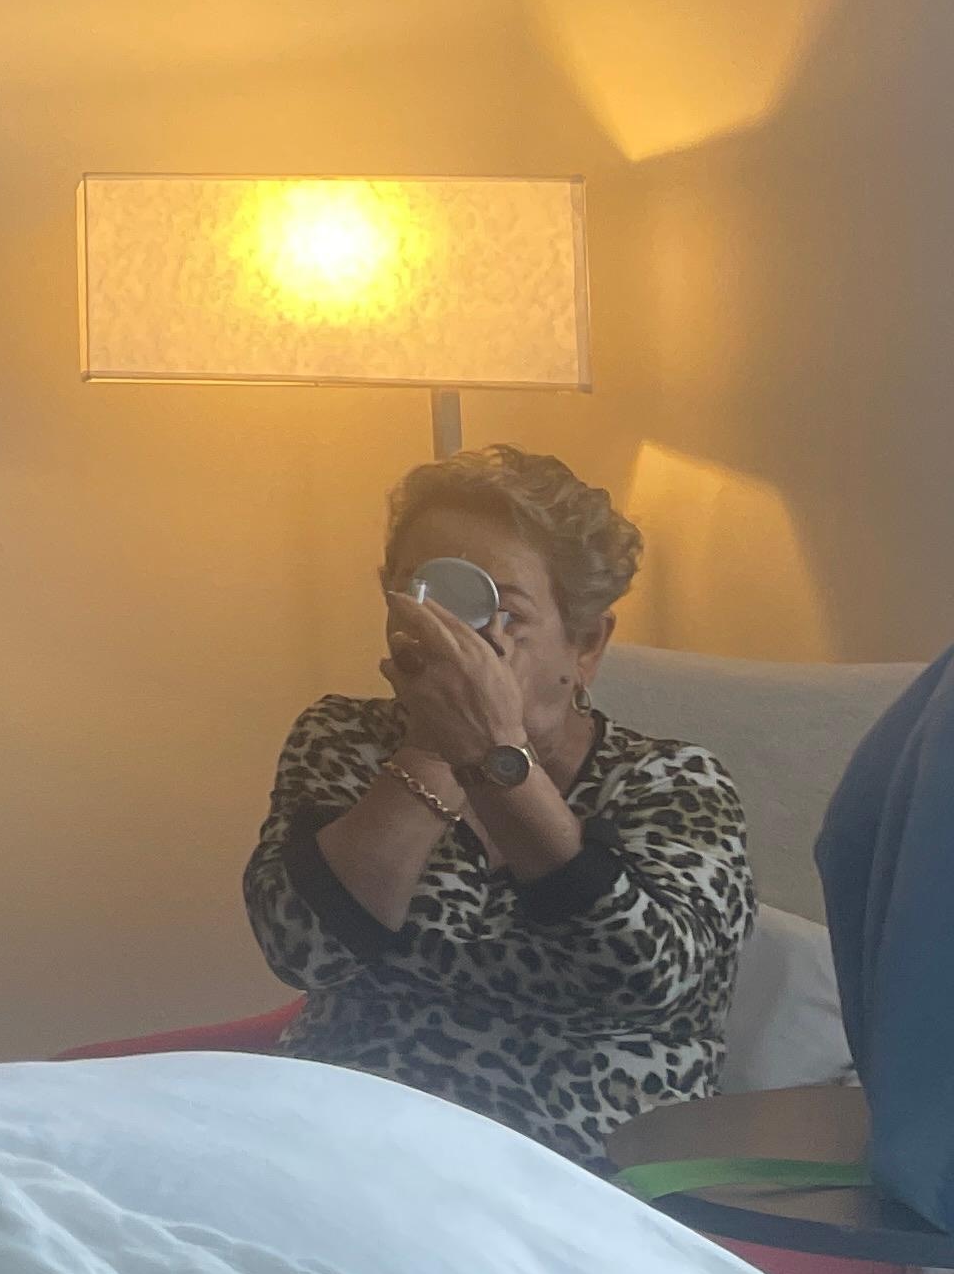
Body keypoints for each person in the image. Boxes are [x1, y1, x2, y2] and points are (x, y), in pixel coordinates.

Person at [242, 446, 752, 1161]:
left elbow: (643, 975)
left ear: (586, 643)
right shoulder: (345, 738)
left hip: (575, 1165)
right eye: (426, 600)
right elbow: (303, 950)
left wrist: (493, 756)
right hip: (337, 1138)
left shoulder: (673, 783)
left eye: (501, 611)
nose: (453, 636)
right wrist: (431, 747)